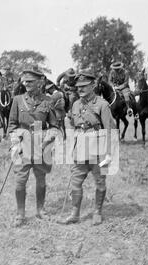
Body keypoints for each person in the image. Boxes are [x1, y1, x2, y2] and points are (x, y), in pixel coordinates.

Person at [59, 71, 116, 226]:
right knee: (75, 183)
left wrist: (110, 153)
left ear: (93, 85)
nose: (81, 89)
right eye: (79, 87)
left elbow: (110, 129)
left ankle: (97, 212)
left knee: (100, 182)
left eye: (84, 86)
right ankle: (75, 214)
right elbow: (71, 121)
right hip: (80, 150)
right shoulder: (76, 104)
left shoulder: (102, 105)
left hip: (99, 151)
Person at [8, 68, 60, 227]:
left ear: (40, 82)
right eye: (25, 81)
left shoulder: (48, 101)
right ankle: (20, 213)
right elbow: (11, 125)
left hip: (42, 147)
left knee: (41, 181)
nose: (26, 84)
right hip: (23, 147)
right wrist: (15, 141)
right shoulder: (17, 100)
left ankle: (40, 210)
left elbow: (54, 125)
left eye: (30, 81)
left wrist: (48, 139)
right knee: (19, 182)